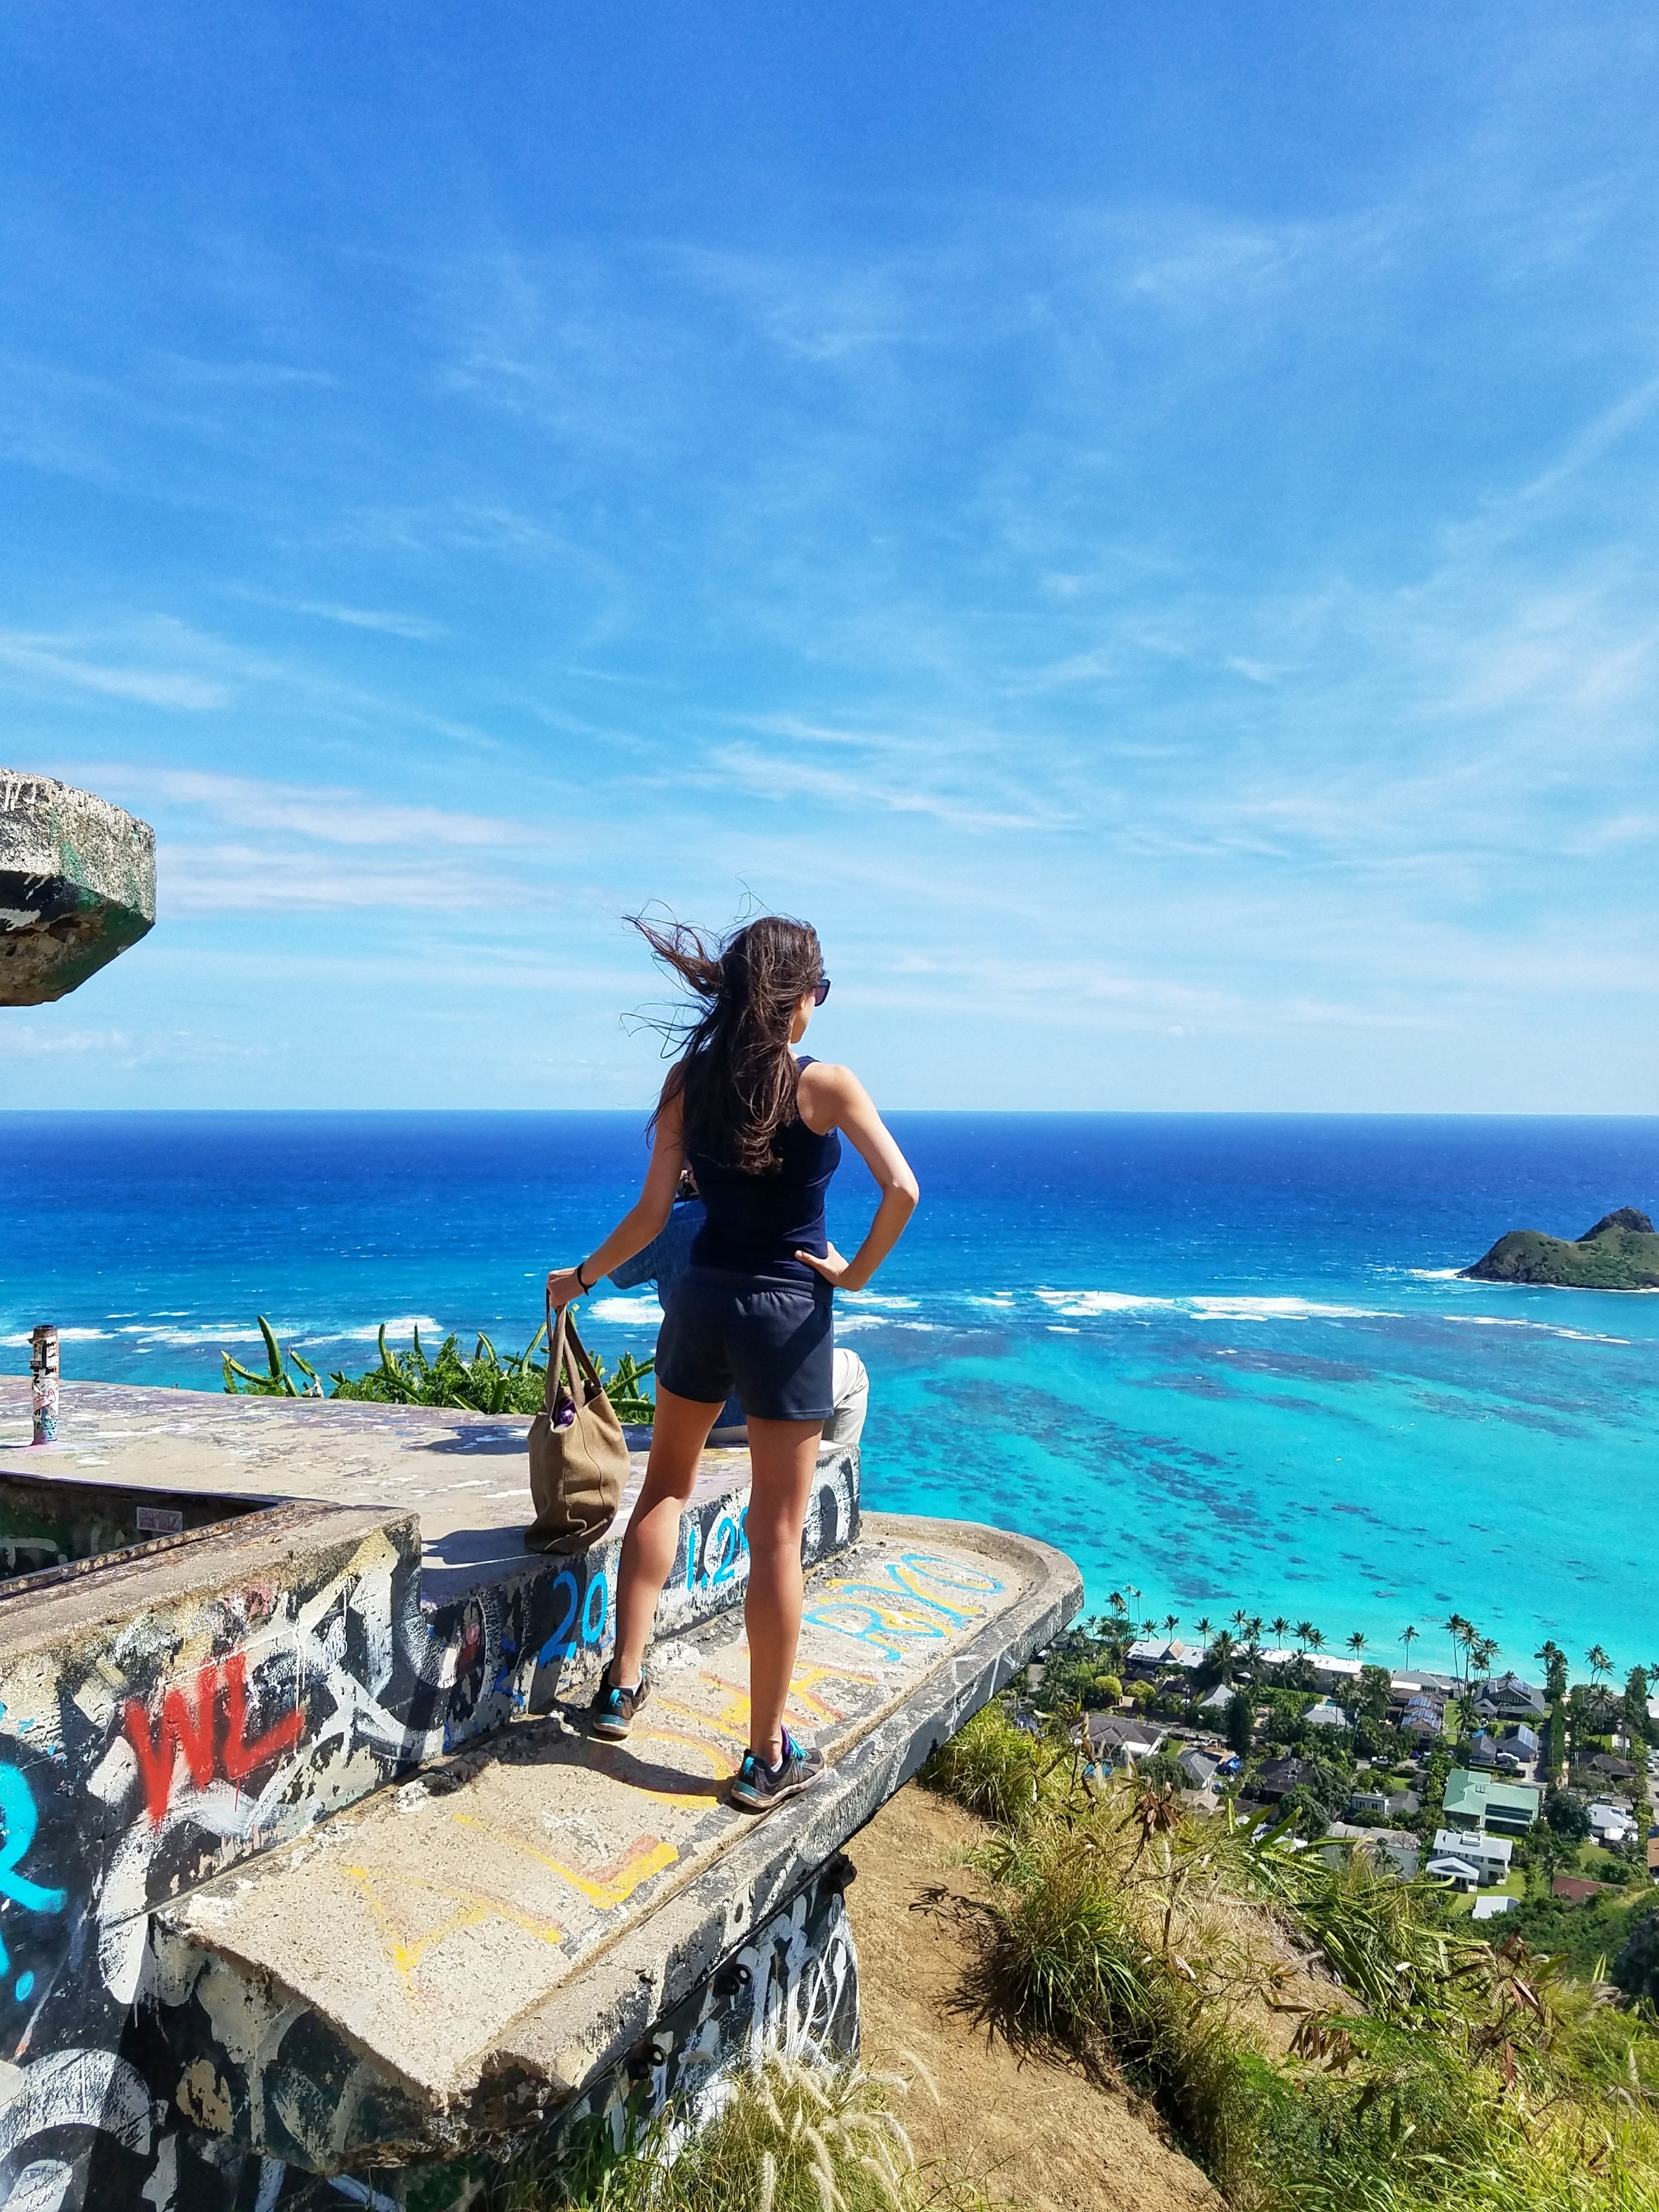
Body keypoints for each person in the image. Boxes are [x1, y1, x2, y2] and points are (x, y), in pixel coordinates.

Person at [546, 914, 917, 1812]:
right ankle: (763, 1756)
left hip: (703, 1299)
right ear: (795, 999)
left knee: (663, 1488)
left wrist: (581, 1278)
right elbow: (902, 1190)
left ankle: (620, 1687)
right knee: (778, 1536)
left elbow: (647, 1217)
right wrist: (853, 1275)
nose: (819, 1007)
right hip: (786, 1314)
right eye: (818, 992)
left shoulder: (688, 1081)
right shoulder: (824, 1085)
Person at [608, 1166, 871, 1450]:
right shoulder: (789, 1219)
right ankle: (819, 1467)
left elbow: (617, 1272)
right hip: (778, 1411)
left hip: (696, 1419)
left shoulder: (667, 1227)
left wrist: (662, 1204)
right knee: (853, 1371)